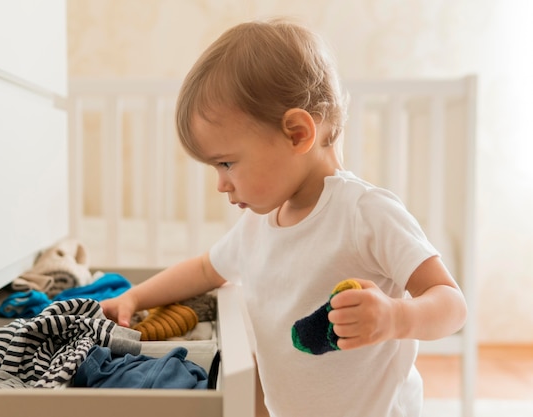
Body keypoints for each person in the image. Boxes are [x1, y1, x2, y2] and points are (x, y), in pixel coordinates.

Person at [100, 18, 467, 417]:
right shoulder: (260, 223)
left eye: (227, 163)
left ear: (296, 133)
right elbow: (206, 269)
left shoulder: (365, 213)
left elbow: (451, 306)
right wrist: (135, 297)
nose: (221, 184)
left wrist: (396, 317)